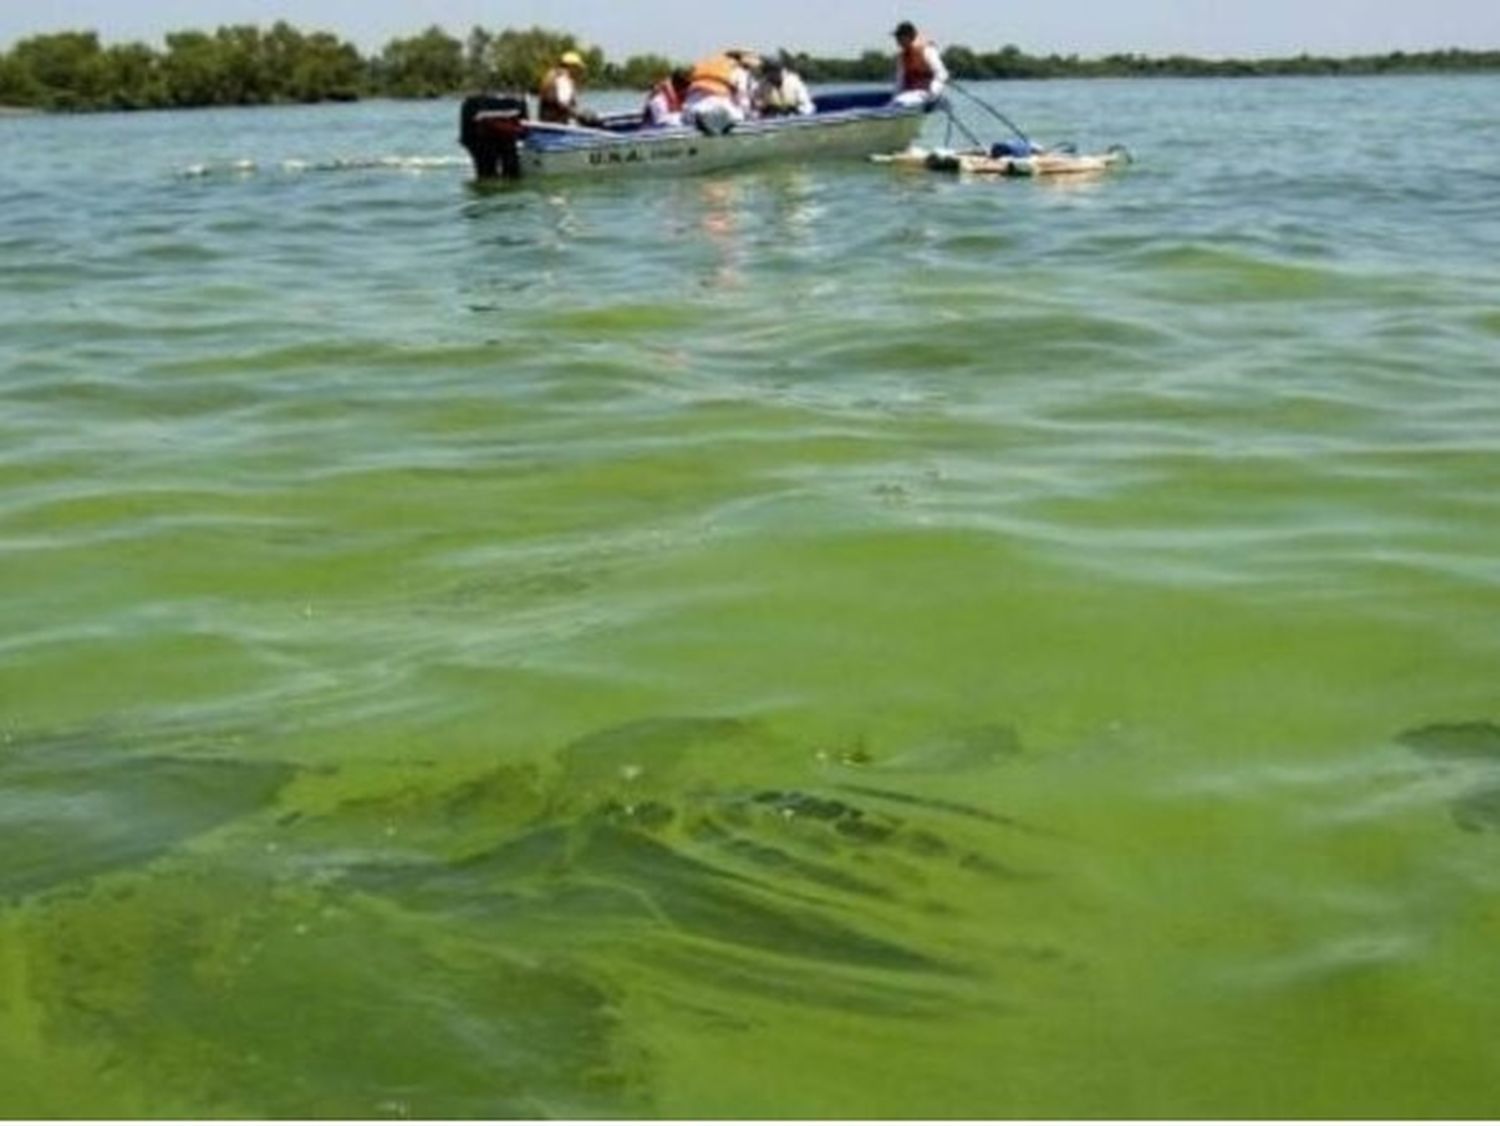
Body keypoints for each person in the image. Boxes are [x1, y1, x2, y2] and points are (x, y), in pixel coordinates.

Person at [682, 48, 760, 134]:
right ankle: (711, 119)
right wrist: (749, 115)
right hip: (717, 105)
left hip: (690, 105)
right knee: (739, 116)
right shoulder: (739, 71)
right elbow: (743, 99)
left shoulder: (708, 63)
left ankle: (701, 118)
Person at [891, 21, 949, 107]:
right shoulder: (901, 57)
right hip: (909, 94)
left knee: (900, 101)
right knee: (897, 101)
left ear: (909, 37)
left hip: (925, 93)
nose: (897, 40)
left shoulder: (927, 51)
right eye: (897, 37)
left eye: (899, 36)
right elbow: (900, 80)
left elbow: (942, 74)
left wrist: (933, 92)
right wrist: (894, 96)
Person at [538, 50, 602, 126]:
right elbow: (563, 105)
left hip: (545, 125)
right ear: (571, 67)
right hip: (558, 127)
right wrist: (581, 115)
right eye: (578, 68)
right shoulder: (563, 79)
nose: (579, 72)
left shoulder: (551, 76)